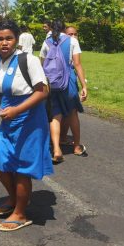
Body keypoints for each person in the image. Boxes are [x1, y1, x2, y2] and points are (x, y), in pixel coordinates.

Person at [0, 20, 52, 232]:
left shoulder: (28, 61)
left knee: (21, 168)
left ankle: (20, 213)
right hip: (7, 118)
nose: (4, 43)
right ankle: (14, 198)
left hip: (29, 119)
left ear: (16, 40)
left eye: (9, 38)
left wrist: (17, 110)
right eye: (0, 39)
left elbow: (43, 91)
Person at [40, 21, 87, 162]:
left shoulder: (46, 42)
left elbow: (42, 64)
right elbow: (77, 64)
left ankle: (56, 150)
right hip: (68, 81)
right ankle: (77, 147)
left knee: (55, 115)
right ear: (63, 29)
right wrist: (84, 85)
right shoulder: (72, 41)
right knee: (73, 113)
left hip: (52, 83)